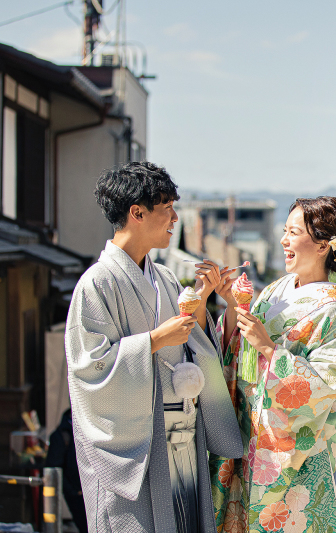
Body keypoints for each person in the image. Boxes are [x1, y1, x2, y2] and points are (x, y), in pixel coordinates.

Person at [65, 162, 243, 533]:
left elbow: (191, 342)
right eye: (168, 209)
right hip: (136, 446)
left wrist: (202, 300)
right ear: (137, 213)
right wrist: (154, 341)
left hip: (183, 436)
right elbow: (90, 367)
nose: (175, 218)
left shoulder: (164, 276)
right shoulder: (96, 283)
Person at [210, 196, 336, 533]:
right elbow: (240, 352)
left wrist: (268, 348)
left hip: (286, 453)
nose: (283, 240)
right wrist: (234, 306)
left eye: (294, 233)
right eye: (284, 230)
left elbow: (322, 387)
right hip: (249, 434)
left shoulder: (330, 310)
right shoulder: (276, 290)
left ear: (323, 246)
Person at [45, 409, 87, 533]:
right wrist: (73, 492)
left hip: (89, 489)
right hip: (77, 492)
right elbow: (53, 468)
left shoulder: (86, 431)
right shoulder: (61, 435)